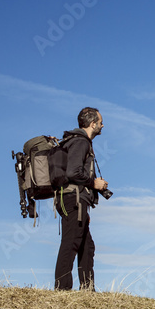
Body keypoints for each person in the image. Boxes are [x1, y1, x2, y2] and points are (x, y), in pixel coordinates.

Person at [54, 107, 108, 291]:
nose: (103, 125)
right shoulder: (80, 142)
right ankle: (62, 289)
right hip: (73, 198)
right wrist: (94, 184)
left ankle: (87, 289)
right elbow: (73, 172)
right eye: (101, 122)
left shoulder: (75, 141)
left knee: (87, 245)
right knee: (71, 242)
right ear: (93, 124)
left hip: (76, 199)